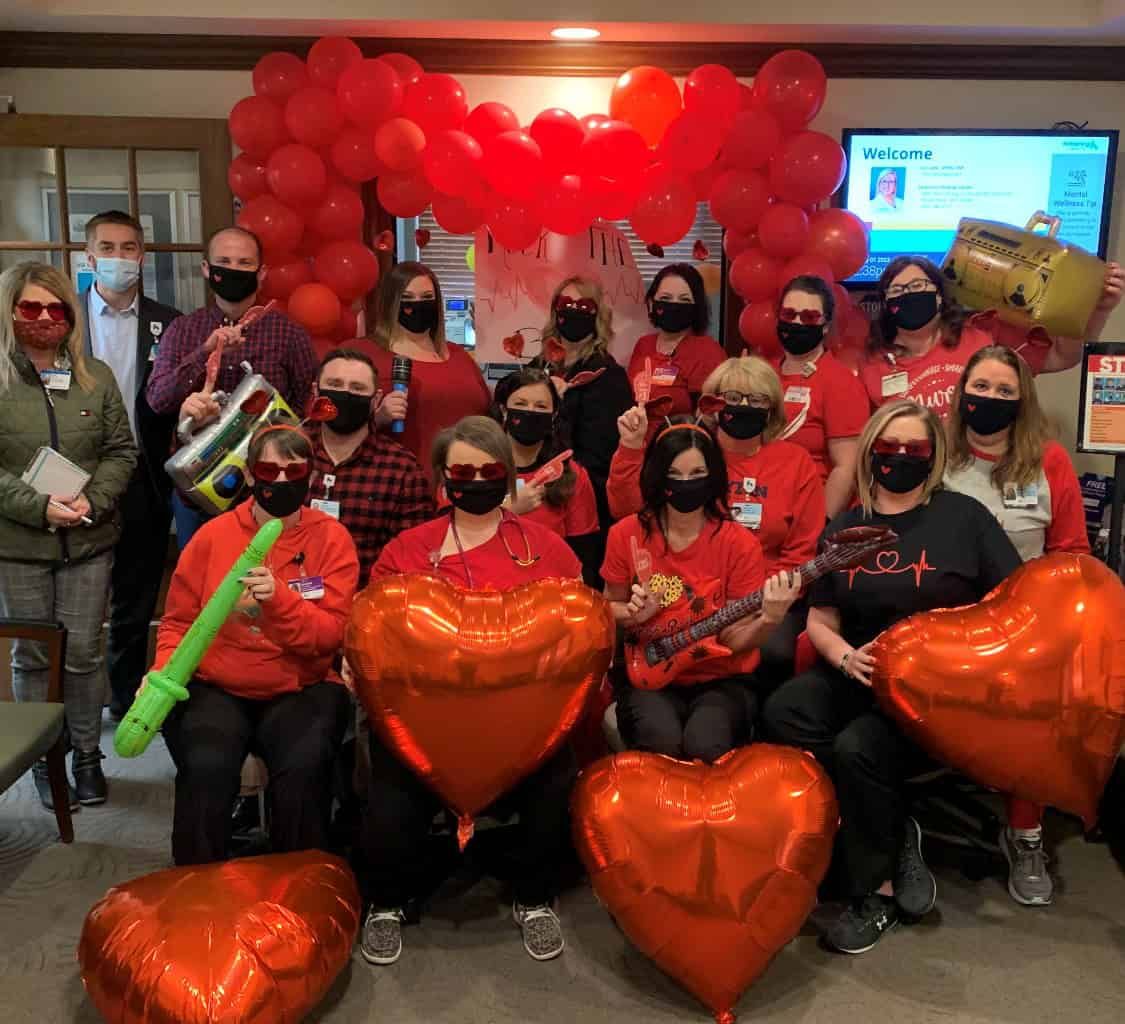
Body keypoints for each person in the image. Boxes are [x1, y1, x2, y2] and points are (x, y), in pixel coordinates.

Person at [762, 400, 1022, 954]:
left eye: (915, 450)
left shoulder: (964, 519)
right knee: (784, 711)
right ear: (871, 451)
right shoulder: (848, 527)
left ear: (933, 458)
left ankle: (872, 893)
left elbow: (1011, 605)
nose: (899, 458)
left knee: (859, 748)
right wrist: (846, 658)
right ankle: (893, 824)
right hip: (861, 672)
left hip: (936, 690)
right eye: (889, 447)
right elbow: (821, 618)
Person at [357, 416, 582, 968]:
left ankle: (533, 897)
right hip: (427, 717)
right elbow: (373, 627)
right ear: (443, 477)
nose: (475, 479)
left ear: (506, 476)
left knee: (555, 775)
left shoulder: (548, 550)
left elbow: (574, 634)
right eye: (462, 470)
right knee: (390, 785)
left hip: (521, 718)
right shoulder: (408, 549)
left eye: (489, 470)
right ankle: (385, 903)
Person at [158, 424, 358, 865]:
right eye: (269, 469)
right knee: (206, 766)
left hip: (301, 684)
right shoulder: (213, 536)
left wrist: (280, 602)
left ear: (310, 474)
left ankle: (298, 891)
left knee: (305, 769)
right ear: (249, 475)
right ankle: (196, 890)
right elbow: (177, 622)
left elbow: (329, 637)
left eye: (294, 470)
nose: (281, 480)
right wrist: (161, 677)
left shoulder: (332, 539)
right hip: (218, 684)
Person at [944, 345, 1089, 907]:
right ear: (962, 393)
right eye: (982, 387)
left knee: (1038, 699)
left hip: (1027, 620)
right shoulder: (938, 454)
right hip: (948, 615)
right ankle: (897, 828)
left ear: (1023, 400)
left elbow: (1071, 552)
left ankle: (1025, 833)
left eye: (1006, 391)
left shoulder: (1048, 460)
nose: (992, 399)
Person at [0, 262, 136, 809]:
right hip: (19, 545)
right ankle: (42, 757)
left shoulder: (95, 376)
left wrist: (90, 503)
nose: (44, 319)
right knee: (34, 655)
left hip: (87, 541)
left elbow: (121, 452)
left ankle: (84, 755)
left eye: (56, 309)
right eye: (31, 308)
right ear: (11, 311)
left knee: (81, 653)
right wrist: (38, 507)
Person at [609, 356, 823, 681]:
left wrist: (753, 602)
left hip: (763, 597)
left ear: (772, 409)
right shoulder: (691, 451)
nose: (744, 407)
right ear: (713, 405)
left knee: (775, 650)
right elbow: (629, 509)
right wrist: (630, 448)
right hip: (679, 596)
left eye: (758, 399)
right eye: (733, 398)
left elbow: (801, 549)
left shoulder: (796, 463)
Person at [602, 418, 801, 762]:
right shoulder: (625, 534)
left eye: (697, 474)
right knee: (660, 742)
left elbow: (734, 640)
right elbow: (608, 608)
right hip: (648, 672)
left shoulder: (739, 544)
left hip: (722, 679)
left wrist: (768, 620)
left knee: (704, 746)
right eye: (674, 475)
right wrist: (633, 613)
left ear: (714, 477)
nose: (686, 485)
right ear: (656, 476)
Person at [145, 225, 317, 548]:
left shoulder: (289, 334)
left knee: (265, 587)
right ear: (207, 270)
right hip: (197, 490)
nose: (234, 270)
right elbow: (157, 399)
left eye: (244, 263)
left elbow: (307, 407)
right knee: (201, 590)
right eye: (224, 261)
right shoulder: (183, 330)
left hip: (267, 490)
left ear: (261, 273)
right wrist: (204, 353)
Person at [81, 210, 182, 719]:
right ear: (89, 256)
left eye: (128, 248)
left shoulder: (170, 322)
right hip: (78, 477)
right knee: (78, 597)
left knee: (135, 600)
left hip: (144, 474)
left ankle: (123, 699)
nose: (118, 258)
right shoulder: (64, 321)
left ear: (141, 257)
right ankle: (71, 712)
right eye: (107, 247)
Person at [859, 255, 1124, 416]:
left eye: (919, 285)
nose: (909, 294)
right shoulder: (872, 363)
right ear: (885, 303)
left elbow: (1062, 357)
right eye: (897, 290)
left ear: (940, 295)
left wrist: (1098, 308)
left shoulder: (984, 335)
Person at [307, 347, 435, 583]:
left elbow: (412, 561)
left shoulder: (402, 470)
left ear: (375, 400)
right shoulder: (288, 452)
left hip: (365, 606)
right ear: (316, 392)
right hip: (284, 603)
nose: (345, 394)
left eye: (357, 388)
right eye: (334, 385)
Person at [534, 275, 634, 531]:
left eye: (584, 307)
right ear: (555, 312)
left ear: (597, 316)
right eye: (567, 304)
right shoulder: (537, 367)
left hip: (585, 500)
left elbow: (604, 453)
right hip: (535, 496)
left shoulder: (609, 375)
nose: (574, 312)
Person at [367, 261, 490, 468]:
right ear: (390, 303)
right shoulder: (367, 354)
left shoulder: (460, 356)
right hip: (401, 480)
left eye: (426, 298)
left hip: (465, 481)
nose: (417, 305)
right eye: (407, 299)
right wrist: (376, 419)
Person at [491, 366, 601, 585]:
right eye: (520, 404)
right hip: (486, 590)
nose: (530, 412)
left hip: (549, 599)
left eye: (540, 406)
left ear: (554, 415)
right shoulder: (477, 467)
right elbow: (453, 535)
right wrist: (506, 511)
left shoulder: (572, 476)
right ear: (504, 410)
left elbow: (584, 560)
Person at [772, 275, 869, 516]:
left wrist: (819, 527)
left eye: (809, 317)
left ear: (825, 325)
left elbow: (846, 467)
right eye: (789, 314)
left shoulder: (841, 382)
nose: (797, 322)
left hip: (809, 512)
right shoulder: (764, 372)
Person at [626, 263, 725, 420]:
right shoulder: (644, 344)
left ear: (696, 307)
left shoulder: (707, 351)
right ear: (651, 303)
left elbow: (708, 417)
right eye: (666, 298)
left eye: (684, 300)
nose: (674, 305)